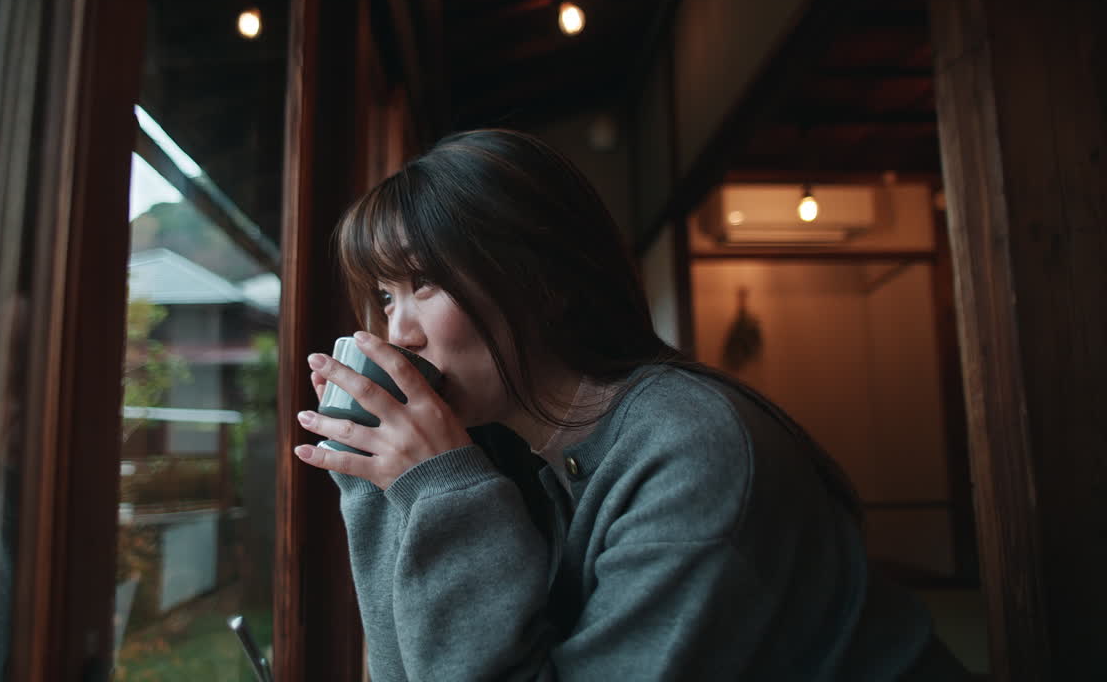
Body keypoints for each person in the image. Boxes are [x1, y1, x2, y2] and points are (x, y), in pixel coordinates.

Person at [292, 129, 969, 680]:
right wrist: (372, 481)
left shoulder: (691, 449)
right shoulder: (526, 463)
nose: (397, 332)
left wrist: (438, 489)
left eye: (426, 282)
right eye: (385, 297)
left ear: (545, 282)